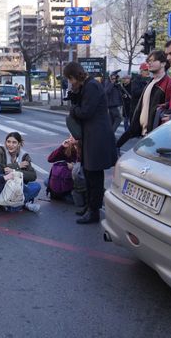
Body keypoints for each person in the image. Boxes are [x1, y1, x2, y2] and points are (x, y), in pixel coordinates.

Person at [64, 61, 117, 224]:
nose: (70, 82)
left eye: (69, 79)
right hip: (91, 135)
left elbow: (85, 112)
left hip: (97, 136)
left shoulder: (92, 86)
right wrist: (73, 94)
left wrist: (73, 110)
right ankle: (89, 207)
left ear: (75, 76)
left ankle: (94, 211)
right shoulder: (87, 85)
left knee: (94, 175)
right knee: (89, 173)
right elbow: (80, 104)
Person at [117, 50, 171, 148]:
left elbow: (170, 110)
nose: (149, 63)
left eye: (153, 60)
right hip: (144, 133)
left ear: (163, 63)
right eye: (148, 61)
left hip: (157, 137)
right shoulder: (150, 83)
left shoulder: (169, 83)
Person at [0, 132, 41, 212]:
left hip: (19, 188)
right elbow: (2, 170)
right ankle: (22, 204)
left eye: (14, 142)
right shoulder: (1, 151)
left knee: (37, 186)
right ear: (5, 142)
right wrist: (18, 165)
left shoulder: (24, 156)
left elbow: (33, 176)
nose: (10, 145)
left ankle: (13, 205)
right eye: (8, 141)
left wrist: (14, 171)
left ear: (19, 144)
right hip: (2, 187)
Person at [46, 135, 80, 203]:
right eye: (70, 135)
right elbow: (50, 159)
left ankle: (64, 193)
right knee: (47, 181)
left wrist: (74, 167)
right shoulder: (68, 147)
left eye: (73, 135)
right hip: (65, 178)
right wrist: (62, 147)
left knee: (77, 200)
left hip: (76, 181)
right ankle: (63, 193)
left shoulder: (83, 149)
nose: (70, 137)